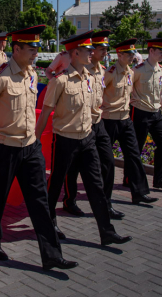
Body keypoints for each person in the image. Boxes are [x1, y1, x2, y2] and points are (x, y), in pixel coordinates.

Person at [0, 24, 78, 271]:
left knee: (40, 199)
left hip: (30, 147)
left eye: (37, 49)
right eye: (31, 49)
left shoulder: (32, 74)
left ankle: (52, 255)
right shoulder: (0, 77)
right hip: (4, 147)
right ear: (17, 49)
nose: (35, 54)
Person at [35, 31, 132, 246]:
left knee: (95, 185)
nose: (92, 53)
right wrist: (36, 141)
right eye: (87, 50)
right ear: (75, 53)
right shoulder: (59, 81)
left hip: (87, 139)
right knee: (56, 183)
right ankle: (49, 223)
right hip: (65, 140)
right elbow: (45, 113)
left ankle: (107, 231)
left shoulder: (90, 78)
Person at [61, 30, 124, 220]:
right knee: (73, 167)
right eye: (101, 49)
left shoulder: (102, 71)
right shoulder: (81, 70)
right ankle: (69, 200)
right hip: (81, 124)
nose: (105, 52)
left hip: (98, 122)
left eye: (106, 49)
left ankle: (106, 204)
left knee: (108, 162)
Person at [102, 39, 158, 205]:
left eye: (133, 54)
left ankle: (140, 192)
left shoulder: (131, 73)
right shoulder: (110, 73)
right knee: (106, 161)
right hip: (110, 120)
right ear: (119, 55)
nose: (132, 57)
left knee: (134, 155)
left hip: (126, 120)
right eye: (128, 54)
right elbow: (98, 94)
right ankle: (103, 199)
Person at [130, 37, 162, 193]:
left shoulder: (160, 70)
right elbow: (126, 89)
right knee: (136, 147)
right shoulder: (138, 70)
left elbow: (161, 93)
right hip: (140, 112)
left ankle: (161, 180)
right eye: (161, 51)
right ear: (151, 51)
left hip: (156, 113)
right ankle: (130, 178)